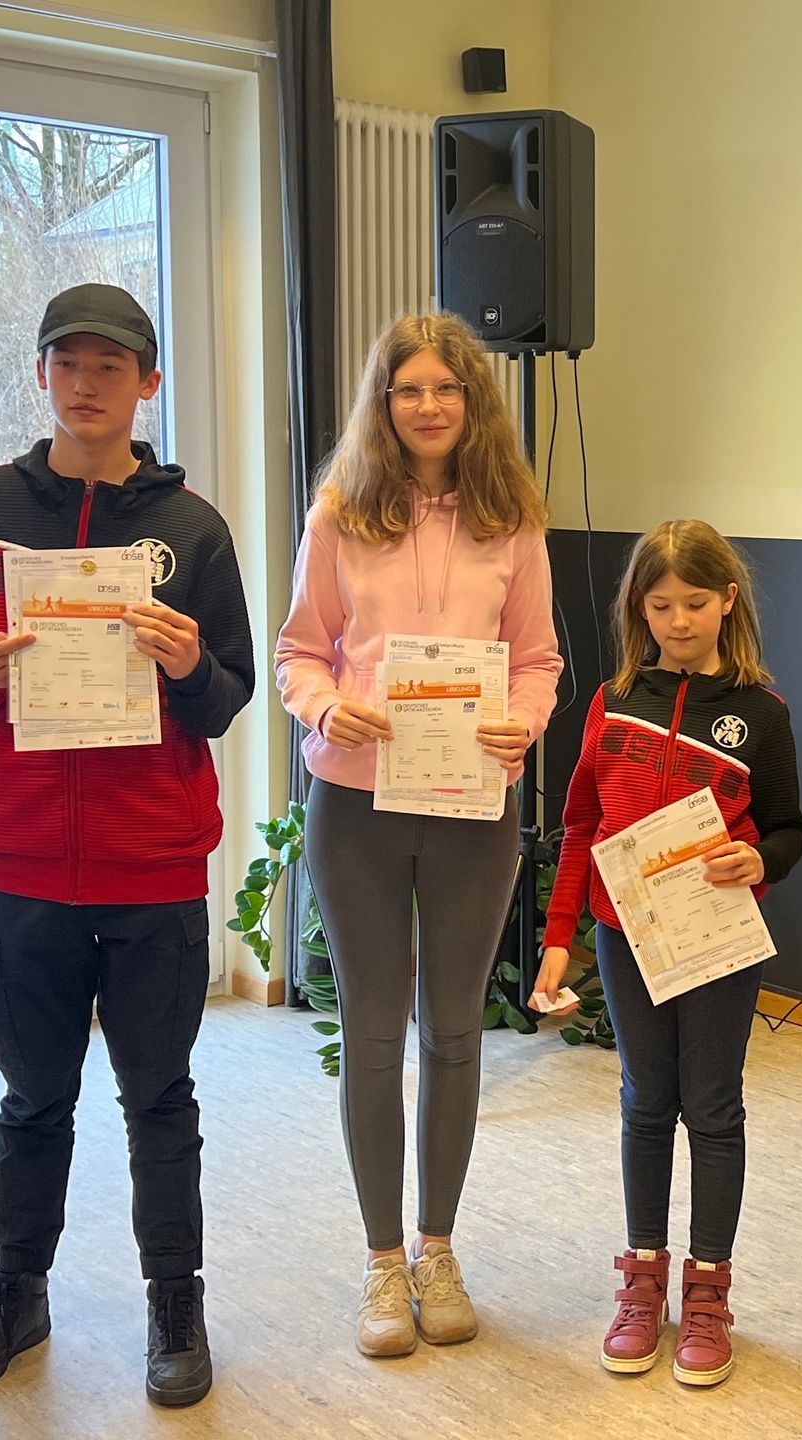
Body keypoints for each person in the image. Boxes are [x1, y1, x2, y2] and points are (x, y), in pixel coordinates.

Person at [0, 283, 254, 1406]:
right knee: (33, 1099)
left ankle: (175, 1299)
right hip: (14, 861)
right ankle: (16, 1291)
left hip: (150, 860)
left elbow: (227, 697)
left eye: (111, 365)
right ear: (42, 375)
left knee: (159, 1099)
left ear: (147, 381)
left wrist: (186, 664)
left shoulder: (191, 529)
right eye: (68, 363)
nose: (87, 383)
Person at [275, 311, 562, 1359]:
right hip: (357, 803)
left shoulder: (511, 521)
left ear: (472, 401)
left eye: (447, 387)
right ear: (383, 402)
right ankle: (383, 1261)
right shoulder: (340, 514)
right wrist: (323, 706)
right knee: (372, 1028)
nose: (430, 405)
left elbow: (536, 660)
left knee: (451, 1031)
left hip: (473, 800)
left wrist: (522, 721)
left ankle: (438, 1249)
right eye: (410, 389)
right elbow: (298, 651)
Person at [534, 519, 802, 1389]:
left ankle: (709, 1292)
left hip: (720, 938)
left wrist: (760, 859)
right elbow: (580, 826)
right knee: (646, 1103)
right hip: (626, 935)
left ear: (727, 601)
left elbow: (789, 828)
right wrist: (558, 938)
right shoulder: (612, 701)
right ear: (637, 609)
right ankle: (643, 1281)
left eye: (694, 603)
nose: (678, 621)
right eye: (660, 606)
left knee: (713, 1110)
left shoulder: (762, 712)